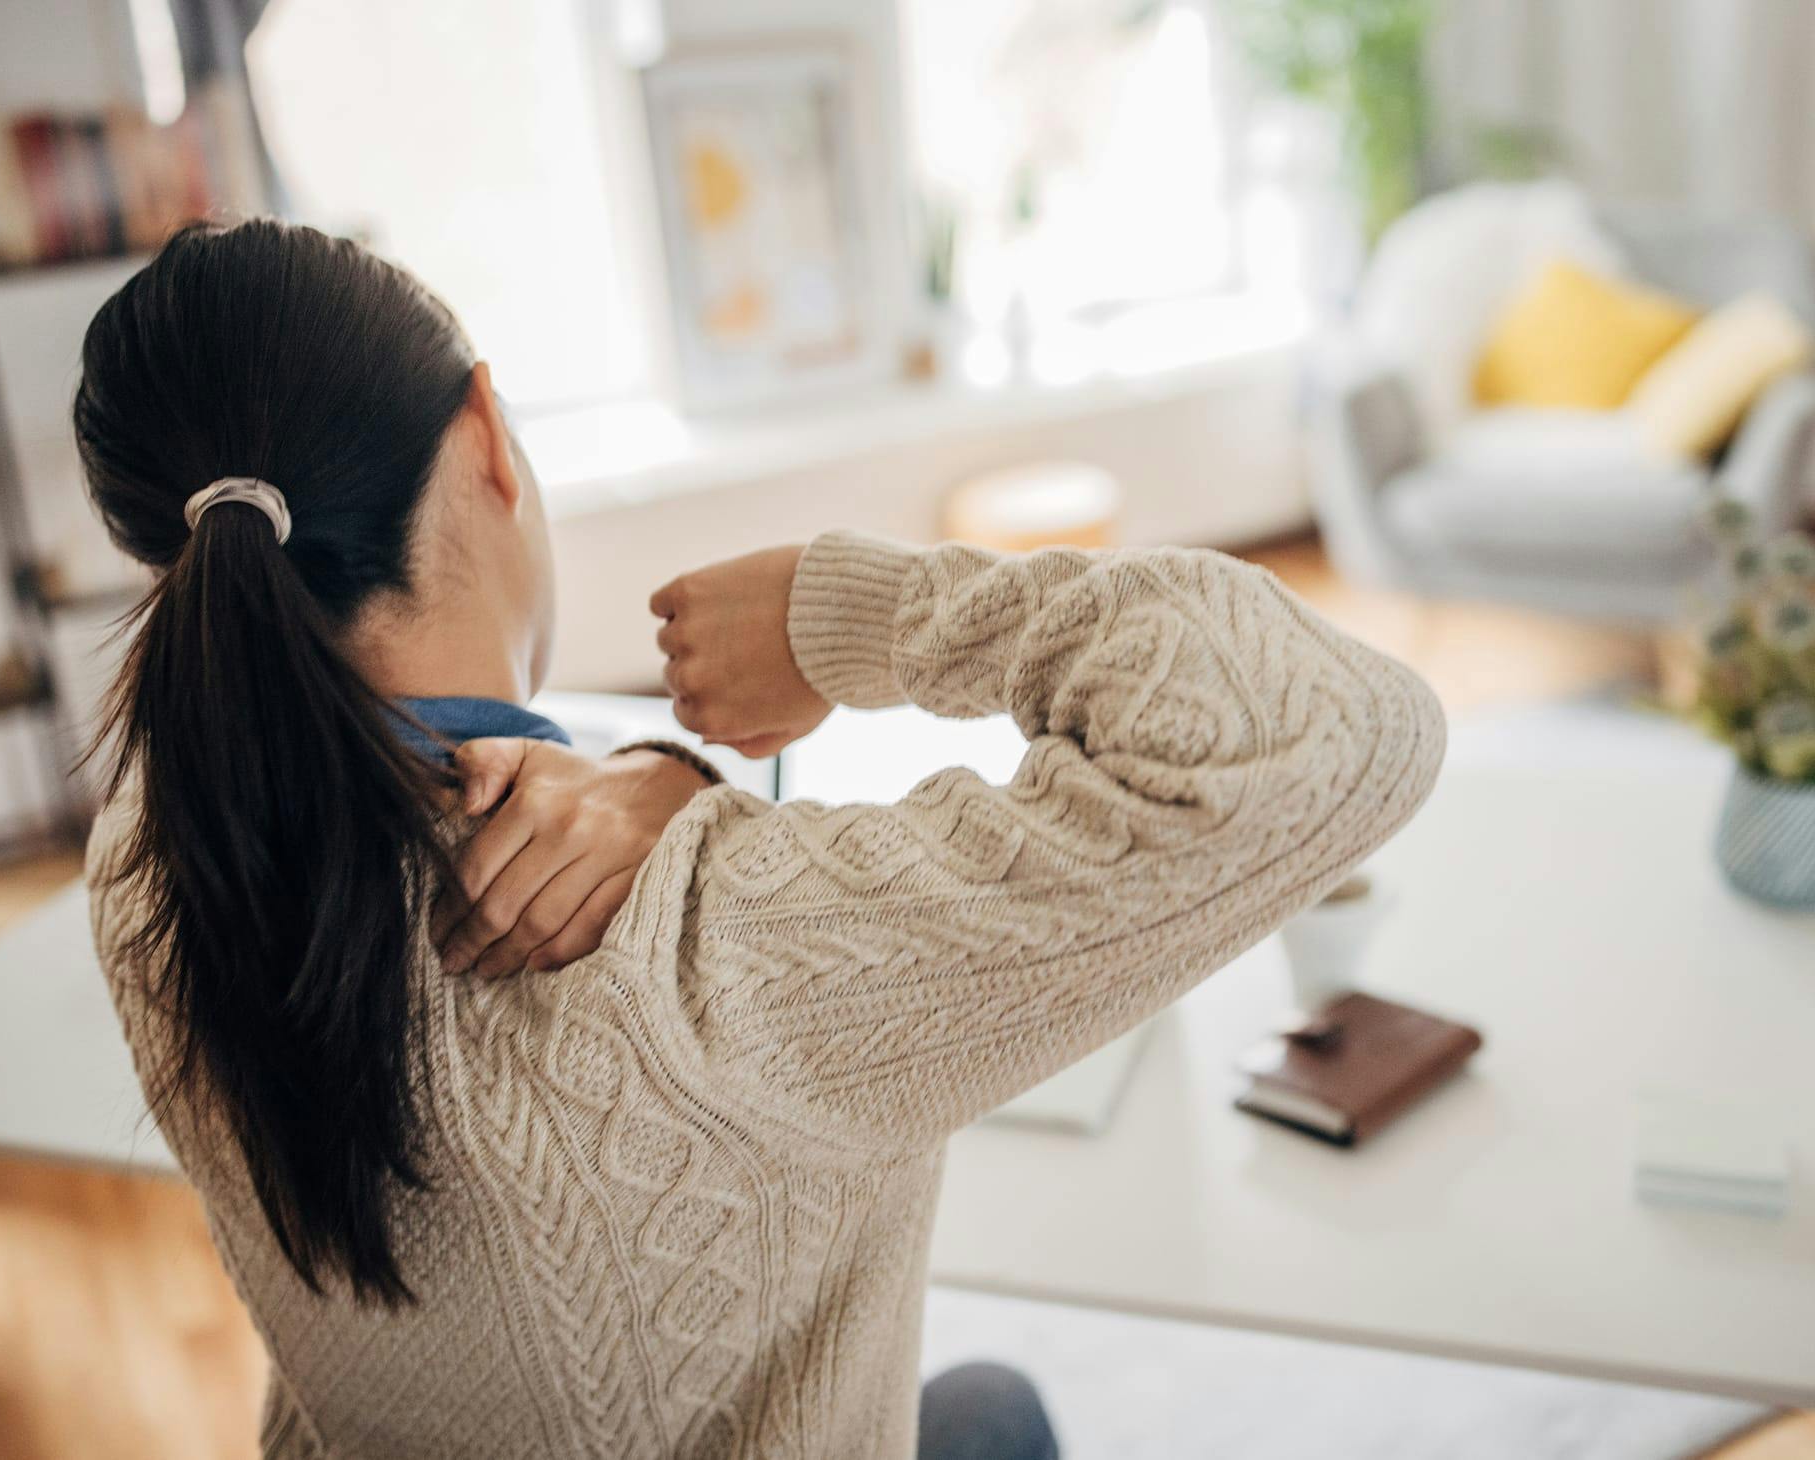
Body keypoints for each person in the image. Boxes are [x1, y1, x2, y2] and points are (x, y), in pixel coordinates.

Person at [79, 218, 1445, 1460]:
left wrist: (666, 780)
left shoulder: (153, 862)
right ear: (488, 438)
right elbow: (1338, 726)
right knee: (1002, 1412)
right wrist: (853, 614)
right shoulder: (716, 958)